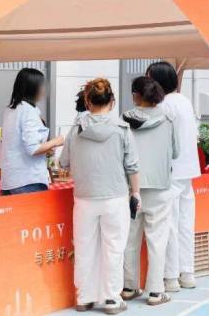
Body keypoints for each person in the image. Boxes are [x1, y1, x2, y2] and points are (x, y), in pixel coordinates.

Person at [60, 78, 140, 315]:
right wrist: (135, 193)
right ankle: (111, 299)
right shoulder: (122, 129)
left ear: (87, 101)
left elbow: (63, 162)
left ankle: (84, 297)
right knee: (114, 248)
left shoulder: (76, 129)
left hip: (84, 197)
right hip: (115, 196)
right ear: (112, 101)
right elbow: (132, 166)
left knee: (84, 247)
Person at [121, 77, 179, 306]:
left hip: (130, 187)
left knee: (130, 239)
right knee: (157, 240)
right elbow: (176, 152)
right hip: (159, 187)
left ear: (136, 95)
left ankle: (129, 287)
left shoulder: (124, 119)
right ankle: (155, 291)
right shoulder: (168, 119)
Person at [146, 62, 200, 291]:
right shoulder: (184, 101)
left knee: (170, 225)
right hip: (188, 170)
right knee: (186, 224)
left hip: (171, 172)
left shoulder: (164, 105)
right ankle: (187, 273)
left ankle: (170, 277)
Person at [0, 68, 63, 195]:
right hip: (28, 180)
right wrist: (56, 141)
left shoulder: (11, 110)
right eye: (42, 85)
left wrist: (46, 149)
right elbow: (32, 149)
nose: (44, 89)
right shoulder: (28, 111)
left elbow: (18, 145)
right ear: (32, 88)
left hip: (10, 180)